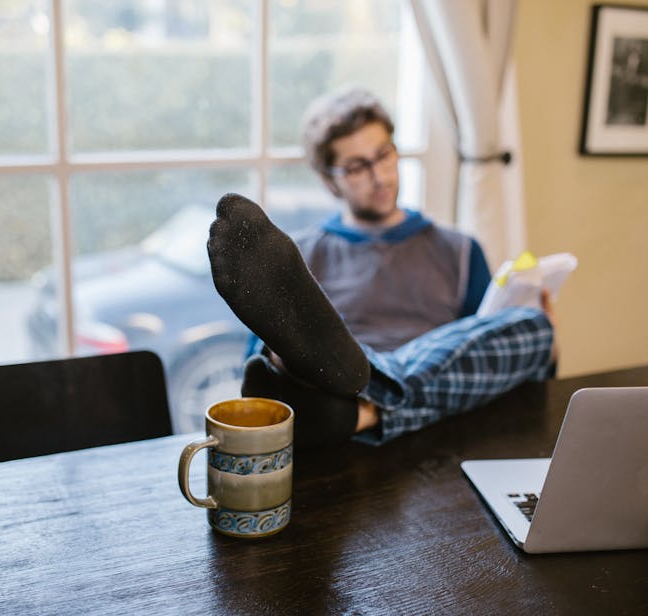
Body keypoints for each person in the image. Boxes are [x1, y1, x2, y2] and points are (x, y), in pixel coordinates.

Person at [207, 86, 555, 448]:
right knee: (279, 360)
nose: (379, 176)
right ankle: (351, 386)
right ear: (330, 180)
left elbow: (490, 354)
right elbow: (258, 371)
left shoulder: (460, 251)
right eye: (357, 166)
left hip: (395, 421)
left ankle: (363, 402)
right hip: (329, 400)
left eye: (384, 155)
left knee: (530, 327)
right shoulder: (300, 256)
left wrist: (548, 347)